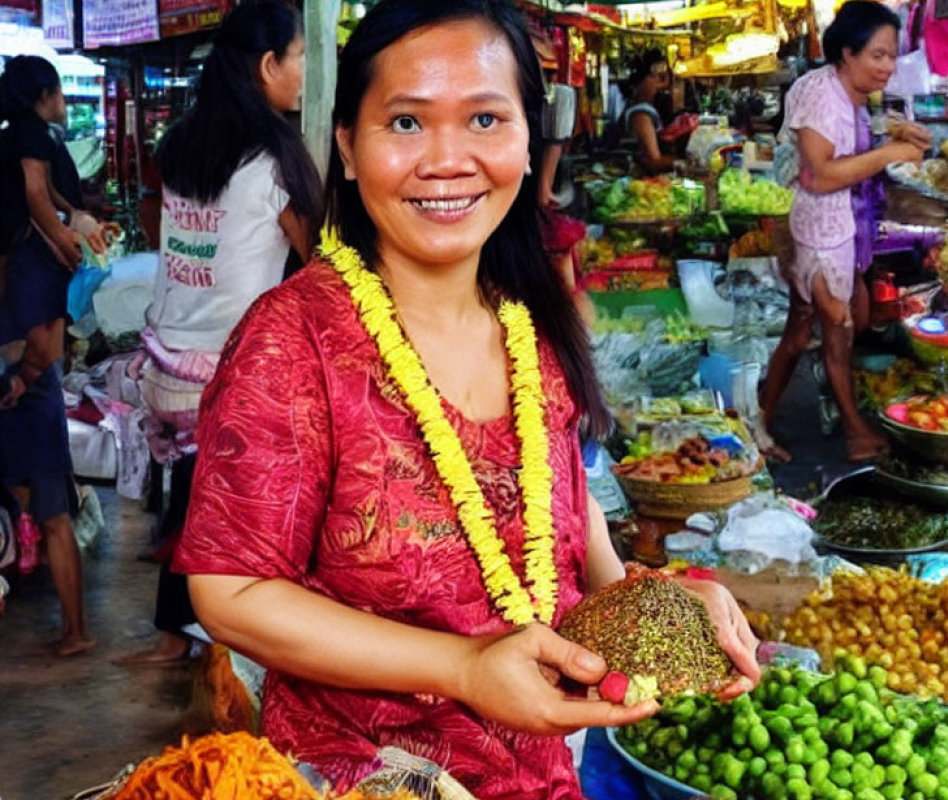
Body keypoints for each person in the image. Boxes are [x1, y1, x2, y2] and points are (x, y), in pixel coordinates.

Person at [174, 1, 761, 797]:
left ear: (528, 142)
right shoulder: (292, 340)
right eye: (406, 123)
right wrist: (466, 668)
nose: (447, 161)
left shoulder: (531, 319)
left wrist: (657, 603)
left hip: (544, 772)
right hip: (361, 778)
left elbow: (560, 498)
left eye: (485, 118)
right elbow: (230, 592)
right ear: (348, 146)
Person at [116, 0, 322, 666]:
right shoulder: (275, 153)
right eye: (301, 58)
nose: (305, 73)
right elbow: (318, 255)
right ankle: (226, 633)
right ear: (268, 64)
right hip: (232, 370)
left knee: (193, 495)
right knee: (238, 509)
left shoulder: (182, 142)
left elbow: (157, 222)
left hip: (167, 364)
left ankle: (179, 628)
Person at [759, 1, 930, 463]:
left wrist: (893, 136)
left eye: (892, 56)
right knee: (836, 330)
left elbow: (845, 149)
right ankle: (853, 431)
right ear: (847, 53)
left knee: (805, 331)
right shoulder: (821, 93)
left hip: (829, 228)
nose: (888, 67)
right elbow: (819, 175)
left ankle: (760, 425)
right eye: (878, 55)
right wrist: (888, 154)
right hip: (815, 230)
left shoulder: (846, 93)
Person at [0, 55, 108, 656]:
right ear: (45, 94)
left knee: (49, 513)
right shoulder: (34, 139)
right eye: (61, 92)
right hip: (28, 394)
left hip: (23, 390)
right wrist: (65, 237)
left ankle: (75, 630)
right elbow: (42, 194)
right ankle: (75, 629)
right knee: (52, 513)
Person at [622, 48, 675, 174]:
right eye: (657, 78)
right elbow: (654, 161)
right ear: (641, 81)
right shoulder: (641, 115)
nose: (662, 85)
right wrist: (685, 162)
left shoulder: (641, 110)